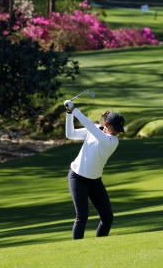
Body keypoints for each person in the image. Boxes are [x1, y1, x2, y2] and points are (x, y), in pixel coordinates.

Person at [64, 102, 125, 239]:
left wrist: (75, 110)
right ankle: (76, 250)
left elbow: (91, 128)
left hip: (95, 181)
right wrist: (69, 114)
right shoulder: (98, 130)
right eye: (114, 128)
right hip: (77, 177)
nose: (116, 133)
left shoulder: (112, 141)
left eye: (118, 130)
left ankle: (99, 245)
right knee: (82, 217)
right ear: (107, 125)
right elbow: (70, 134)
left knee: (107, 218)